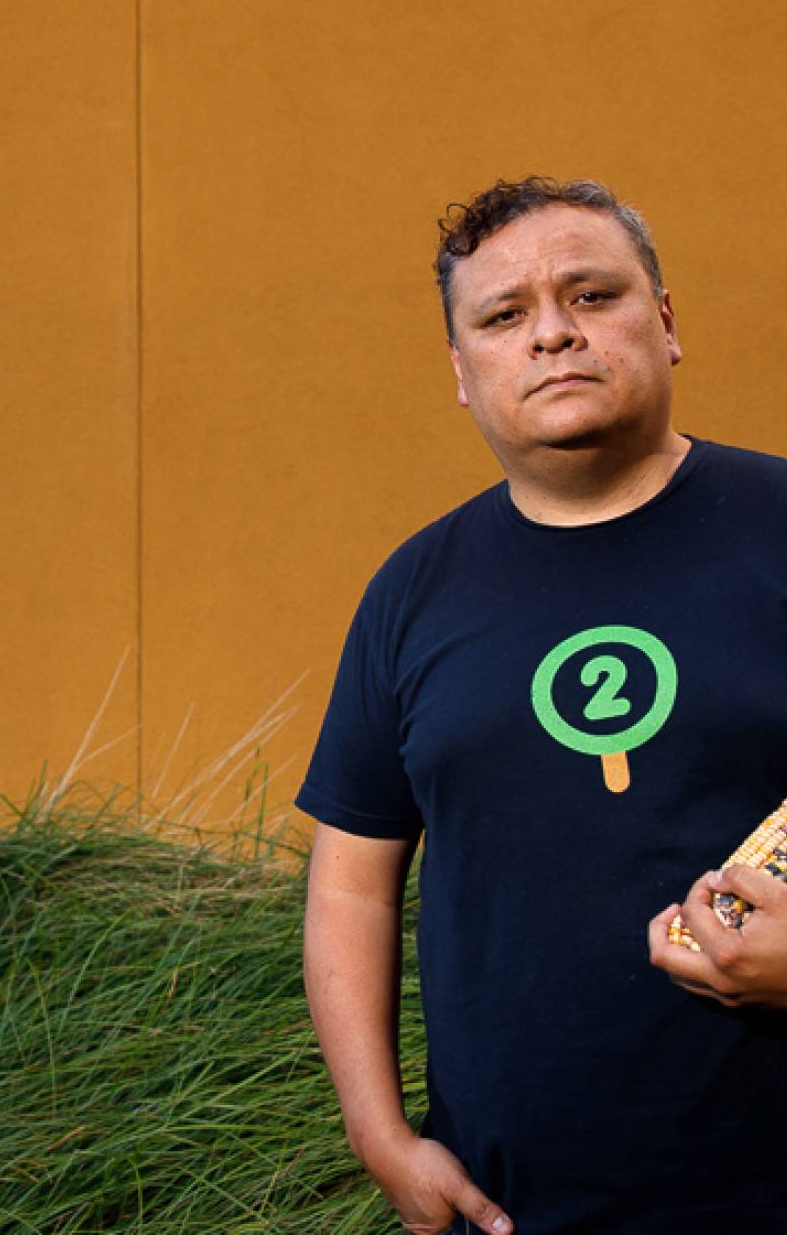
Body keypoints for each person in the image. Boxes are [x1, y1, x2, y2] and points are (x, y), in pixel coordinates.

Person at [297, 177, 787, 1235]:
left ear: (664, 323)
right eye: (505, 316)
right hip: (513, 1205)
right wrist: (379, 1135)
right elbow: (352, 885)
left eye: (592, 296)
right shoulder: (413, 592)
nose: (553, 335)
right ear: (463, 375)